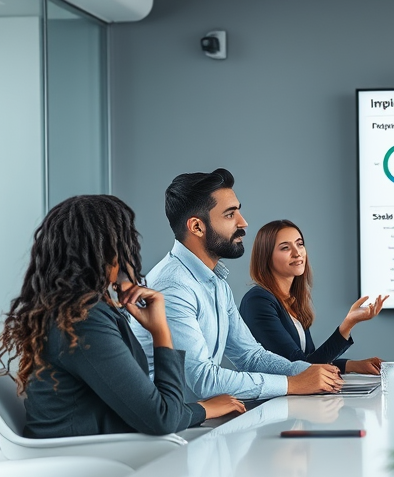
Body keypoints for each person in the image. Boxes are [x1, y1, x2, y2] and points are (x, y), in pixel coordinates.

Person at [0, 195, 246, 438]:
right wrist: (160, 332)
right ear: (105, 251)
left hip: (102, 449)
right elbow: (161, 419)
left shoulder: (86, 311)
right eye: (124, 243)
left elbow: (150, 408)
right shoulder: (83, 319)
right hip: (81, 463)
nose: (130, 253)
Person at [137, 169, 343, 403]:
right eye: (229, 215)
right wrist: (292, 384)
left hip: (194, 421)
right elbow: (203, 381)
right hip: (167, 430)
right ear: (196, 227)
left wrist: (305, 372)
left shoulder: (216, 283)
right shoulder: (172, 287)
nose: (243, 222)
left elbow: (251, 356)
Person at [240, 220, 387, 375]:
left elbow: (308, 359)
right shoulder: (258, 302)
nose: (297, 253)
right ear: (266, 257)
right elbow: (301, 368)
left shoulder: (291, 300)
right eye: (285, 248)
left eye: (300, 244)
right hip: (270, 399)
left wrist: (352, 365)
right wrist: (348, 324)